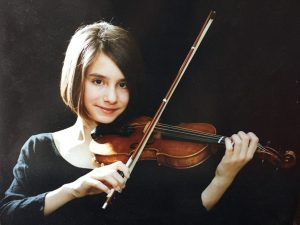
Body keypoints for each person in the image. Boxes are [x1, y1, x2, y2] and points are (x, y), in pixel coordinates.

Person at [0, 21, 259, 225]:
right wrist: (74, 189)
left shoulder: (139, 152)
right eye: (98, 81)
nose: (111, 97)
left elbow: (180, 219)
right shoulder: (40, 148)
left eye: (122, 84)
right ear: (76, 79)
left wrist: (223, 177)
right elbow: (9, 215)